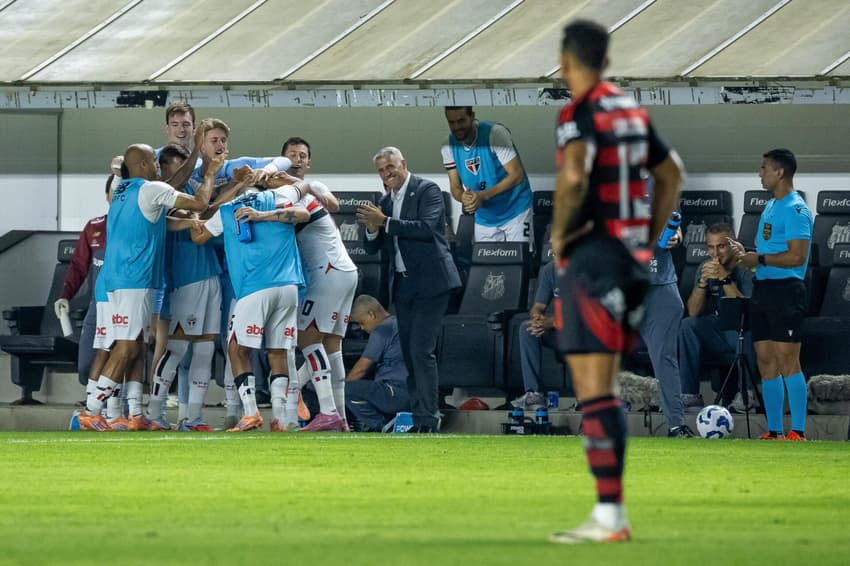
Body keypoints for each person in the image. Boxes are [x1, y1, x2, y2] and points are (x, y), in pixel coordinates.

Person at [549, 20, 683, 544]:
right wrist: (645, 238)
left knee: (593, 390)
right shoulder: (630, 110)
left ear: (566, 61)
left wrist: (561, 236)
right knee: (604, 386)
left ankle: (610, 514)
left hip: (593, 259)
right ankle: (611, 514)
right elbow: (671, 173)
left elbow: (575, 176)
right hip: (631, 262)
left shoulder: (577, 113)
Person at [73, 143, 216, 431]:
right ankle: (92, 410)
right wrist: (209, 174)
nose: (157, 166)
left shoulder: (122, 192)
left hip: (117, 281)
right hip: (133, 281)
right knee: (125, 347)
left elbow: (162, 221)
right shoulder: (149, 189)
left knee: (135, 344)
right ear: (140, 165)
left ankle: (135, 413)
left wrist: (188, 223)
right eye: (153, 160)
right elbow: (199, 202)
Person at [191, 178, 313, 432]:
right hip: (289, 286)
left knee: (237, 348)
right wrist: (266, 213)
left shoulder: (227, 210)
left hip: (255, 287)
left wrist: (199, 207)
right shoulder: (278, 196)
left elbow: (198, 236)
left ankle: (250, 412)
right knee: (278, 350)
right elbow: (304, 200)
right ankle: (279, 417)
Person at [357, 147, 461, 433]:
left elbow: (427, 228)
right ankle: (421, 418)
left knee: (421, 351)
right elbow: (372, 246)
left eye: (391, 167)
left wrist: (385, 222)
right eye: (381, 170)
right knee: (409, 353)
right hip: (404, 286)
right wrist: (372, 228)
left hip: (433, 282)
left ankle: (429, 418)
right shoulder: (384, 202)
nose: (387, 173)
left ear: (404, 163)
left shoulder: (427, 190)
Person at [274, 136, 357, 433]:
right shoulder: (299, 189)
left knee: (308, 339)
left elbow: (320, 207)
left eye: (302, 155)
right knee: (332, 345)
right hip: (343, 270)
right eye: (291, 155)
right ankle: (341, 419)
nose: (297, 159)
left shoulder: (296, 193)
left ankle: (328, 411)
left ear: (308, 161)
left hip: (329, 271)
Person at [729, 149, 813, 441]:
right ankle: (775, 430)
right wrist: (746, 256)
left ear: (780, 172)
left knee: (788, 359)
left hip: (787, 291)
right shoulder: (770, 206)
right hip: (762, 288)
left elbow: (797, 257)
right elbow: (765, 251)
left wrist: (759, 259)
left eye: (764, 168)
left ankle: (798, 431)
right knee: (765, 360)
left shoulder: (796, 208)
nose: (759, 173)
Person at [679, 223, 756, 413]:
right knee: (688, 325)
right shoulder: (705, 266)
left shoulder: (746, 265)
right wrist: (702, 283)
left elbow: (744, 311)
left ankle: (746, 395)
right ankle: (690, 395)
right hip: (717, 327)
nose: (715, 253)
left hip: (742, 326)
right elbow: (693, 312)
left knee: (744, 330)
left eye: (721, 246)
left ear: (733, 244)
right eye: (711, 247)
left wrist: (725, 279)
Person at [55, 173, 112, 404]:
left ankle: (118, 407)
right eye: (114, 192)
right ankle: (94, 404)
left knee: (123, 356)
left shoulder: (137, 228)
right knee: (87, 362)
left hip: (127, 305)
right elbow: (78, 266)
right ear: (108, 196)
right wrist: (65, 295)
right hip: (97, 305)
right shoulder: (94, 227)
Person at [442, 106, 533, 246]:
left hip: (515, 210)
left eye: (461, 121)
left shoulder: (495, 133)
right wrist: (463, 198)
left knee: (520, 262)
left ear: (472, 116)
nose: (456, 127)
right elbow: (455, 186)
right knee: (487, 265)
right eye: (451, 122)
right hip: (485, 218)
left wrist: (483, 196)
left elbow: (517, 175)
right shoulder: (448, 146)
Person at [640, 221, 693, 437]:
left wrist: (676, 237)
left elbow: (675, 228)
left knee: (665, 358)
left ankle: (676, 426)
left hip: (660, 287)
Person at [343, 295, 410, 432]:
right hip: (411, 393)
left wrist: (339, 391)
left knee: (345, 390)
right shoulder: (398, 324)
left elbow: (362, 368)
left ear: (371, 314)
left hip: (394, 393)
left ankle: (382, 425)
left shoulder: (382, 329)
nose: (361, 328)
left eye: (361, 322)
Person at [511, 260, 559, 409]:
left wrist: (550, 323)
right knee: (527, 329)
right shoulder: (550, 269)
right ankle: (534, 394)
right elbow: (538, 306)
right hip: (559, 330)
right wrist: (537, 319)